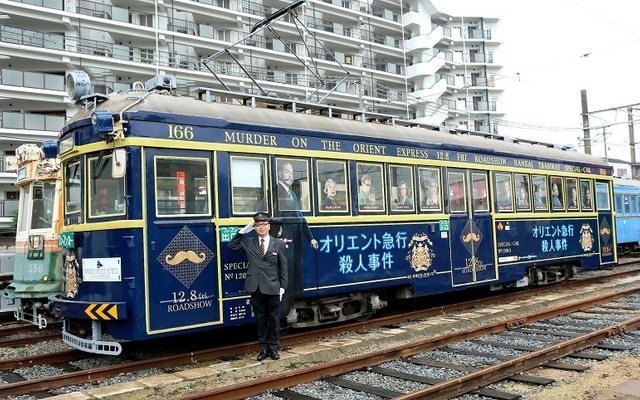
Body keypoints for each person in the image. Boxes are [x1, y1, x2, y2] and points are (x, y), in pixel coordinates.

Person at [228, 212, 287, 361]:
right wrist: (243, 231)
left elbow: (284, 266)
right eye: (257, 225)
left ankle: (273, 349)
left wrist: (283, 287)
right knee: (260, 320)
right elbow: (232, 245)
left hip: (273, 287)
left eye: (264, 224)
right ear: (254, 227)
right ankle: (263, 349)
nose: (261, 227)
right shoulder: (249, 243)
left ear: (269, 226)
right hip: (256, 287)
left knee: (273, 319)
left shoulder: (278, 243)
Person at [275, 161, 318, 317]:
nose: (290, 174)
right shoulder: (274, 192)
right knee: (287, 274)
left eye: (291, 172)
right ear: (279, 174)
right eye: (286, 171)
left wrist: (310, 238)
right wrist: (278, 233)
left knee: (294, 275)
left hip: (295, 240)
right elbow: (264, 213)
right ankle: (283, 308)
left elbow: (300, 218)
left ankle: (289, 306)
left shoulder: (292, 194)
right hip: (285, 240)